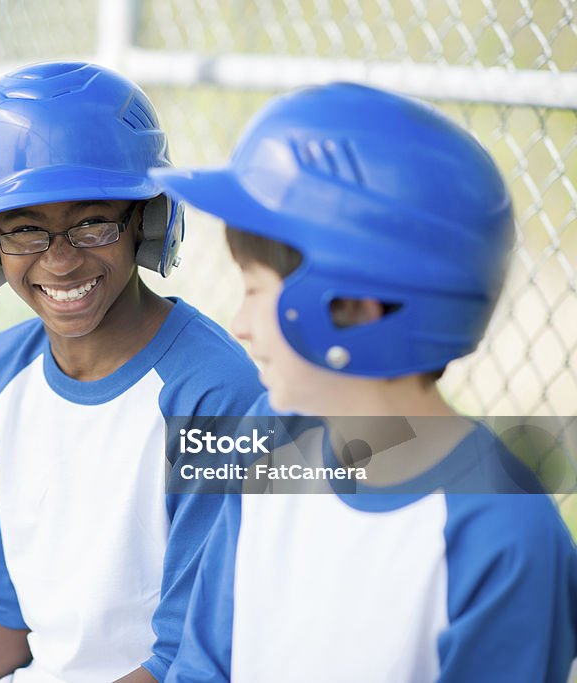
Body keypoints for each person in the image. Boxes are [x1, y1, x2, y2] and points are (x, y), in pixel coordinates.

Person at [150, 82, 577, 681]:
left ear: (351, 307)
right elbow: (203, 667)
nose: (239, 326)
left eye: (253, 291)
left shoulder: (502, 535)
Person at [0, 61, 261, 683]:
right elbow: (1, 617)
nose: (59, 260)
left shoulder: (213, 391)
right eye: (25, 229)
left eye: (91, 223)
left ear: (145, 222)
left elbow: (190, 660)